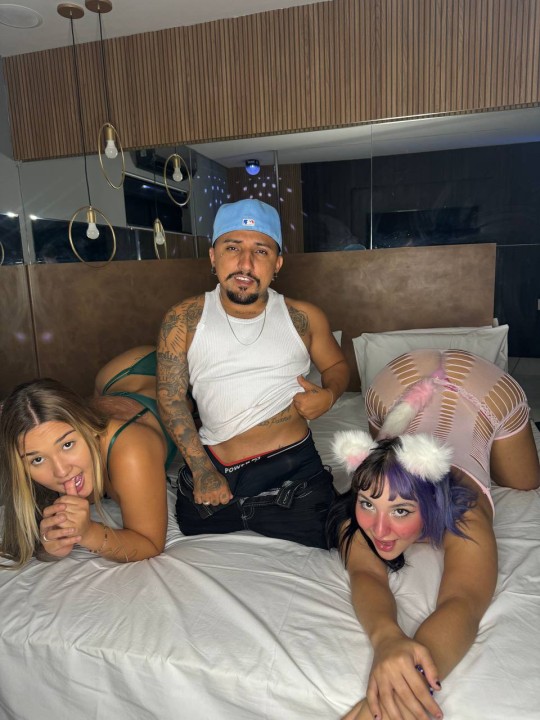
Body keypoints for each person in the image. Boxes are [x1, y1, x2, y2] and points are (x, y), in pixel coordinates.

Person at [327, 348, 540, 720]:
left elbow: (463, 602)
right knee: (388, 463)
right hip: (393, 383)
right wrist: (387, 640)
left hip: (487, 392)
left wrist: (395, 693)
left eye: (401, 510)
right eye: (368, 504)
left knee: (524, 483)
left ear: (430, 508)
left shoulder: (464, 511)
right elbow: (365, 574)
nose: (379, 529)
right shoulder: (360, 511)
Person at [157, 198, 350, 548]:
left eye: (261, 251)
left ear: (277, 264)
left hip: (292, 475)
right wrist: (201, 470)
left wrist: (330, 395)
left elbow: (336, 367)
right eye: (232, 248)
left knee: (342, 534)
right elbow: (170, 397)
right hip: (214, 470)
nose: (245, 263)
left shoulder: (303, 317)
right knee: (191, 528)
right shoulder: (183, 318)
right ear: (213, 256)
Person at [0, 346, 174, 568]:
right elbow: (35, 539)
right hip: (112, 396)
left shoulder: (131, 451)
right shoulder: (36, 449)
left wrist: (89, 533)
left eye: (67, 445)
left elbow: (150, 544)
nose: (61, 471)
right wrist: (52, 545)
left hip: (139, 370)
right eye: (38, 460)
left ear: (89, 431)